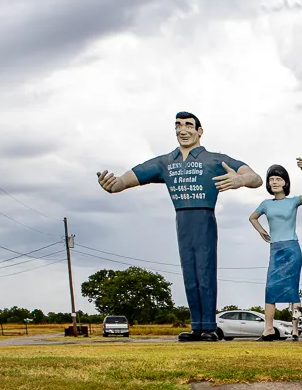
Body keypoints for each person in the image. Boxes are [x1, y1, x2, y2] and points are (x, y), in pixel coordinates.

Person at [96, 112, 261, 341]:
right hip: (181, 220)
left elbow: (255, 177)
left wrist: (240, 180)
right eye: (178, 125)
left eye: (188, 125)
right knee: (189, 274)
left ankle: (209, 327)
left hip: (204, 218)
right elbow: (132, 176)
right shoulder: (166, 162)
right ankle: (196, 326)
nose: (182, 130)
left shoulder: (213, 160)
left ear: (199, 131)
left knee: (205, 270)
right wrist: (115, 185)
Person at [249, 159, 302, 340]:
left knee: (292, 290)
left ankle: (295, 330)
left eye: (278, 179)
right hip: (275, 249)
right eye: (271, 180)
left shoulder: (293, 201)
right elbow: (252, 218)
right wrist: (261, 231)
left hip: (292, 249)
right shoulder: (265, 204)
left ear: (285, 182)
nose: (274, 182)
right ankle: (268, 329)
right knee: (270, 289)